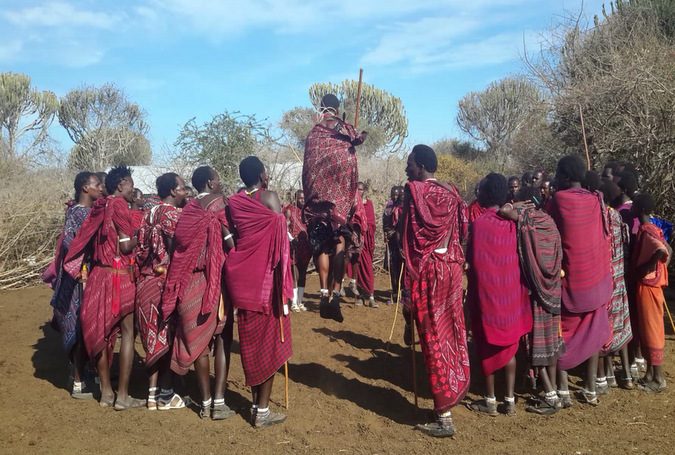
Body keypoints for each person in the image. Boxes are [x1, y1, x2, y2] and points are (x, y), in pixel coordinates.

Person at [401, 144, 471, 438]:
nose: (407, 169)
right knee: (452, 330)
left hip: (429, 273)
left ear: (420, 165)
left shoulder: (414, 193)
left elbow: (408, 240)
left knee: (432, 337)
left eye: (409, 164)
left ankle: (443, 415)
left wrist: (407, 289)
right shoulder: (452, 193)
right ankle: (455, 387)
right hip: (452, 268)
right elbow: (464, 229)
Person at [63, 165, 144, 410]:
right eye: (130, 184)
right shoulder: (119, 206)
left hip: (98, 276)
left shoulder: (98, 207)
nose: (132, 189)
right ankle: (123, 396)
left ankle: (106, 392)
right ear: (121, 184)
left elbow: (83, 240)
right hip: (119, 276)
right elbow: (127, 246)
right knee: (127, 333)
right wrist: (141, 234)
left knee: (100, 332)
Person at [161, 166, 236, 420]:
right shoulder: (219, 205)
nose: (220, 182)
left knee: (198, 344)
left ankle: (204, 403)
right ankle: (219, 401)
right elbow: (231, 242)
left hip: (187, 282)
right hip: (214, 282)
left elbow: (178, 245)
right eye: (217, 178)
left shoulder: (189, 210)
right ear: (210, 183)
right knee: (223, 338)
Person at [224, 156, 293, 428]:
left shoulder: (235, 202)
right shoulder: (269, 198)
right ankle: (262, 411)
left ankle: (256, 404)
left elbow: (234, 234)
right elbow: (281, 244)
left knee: (251, 343)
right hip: (267, 282)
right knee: (271, 344)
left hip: (242, 279)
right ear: (263, 175)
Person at [548, 155, 612, 406]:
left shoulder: (558, 200)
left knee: (564, 331)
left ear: (564, 176)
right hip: (596, 278)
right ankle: (590, 386)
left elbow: (550, 230)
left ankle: (563, 389)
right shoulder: (596, 199)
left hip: (571, 280)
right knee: (594, 332)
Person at [467, 173, 532, 417]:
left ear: (485, 194)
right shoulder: (514, 222)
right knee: (510, 348)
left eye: (481, 190)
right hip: (511, 294)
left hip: (487, 294)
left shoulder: (480, 224)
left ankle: (490, 400)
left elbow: (473, 262)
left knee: (487, 348)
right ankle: (510, 400)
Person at [302, 93, 367, 322]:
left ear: (322, 108)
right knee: (340, 243)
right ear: (337, 109)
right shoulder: (345, 128)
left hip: (319, 197)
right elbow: (357, 140)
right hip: (340, 197)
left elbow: (307, 168)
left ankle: (322, 292)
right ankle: (336, 295)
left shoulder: (314, 133)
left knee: (320, 242)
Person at [500, 186, 565, 415]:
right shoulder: (549, 221)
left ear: (524, 202)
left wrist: (517, 206)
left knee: (534, 345)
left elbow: (504, 210)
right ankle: (557, 390)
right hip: (554, 290)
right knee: (551, 343)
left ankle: (550, 396)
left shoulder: (526, 219)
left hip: (536, 292)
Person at [48, 172, 103, 399]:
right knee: (81, 328)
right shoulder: (80, 214)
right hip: (80, 278)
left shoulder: (82, 212)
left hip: (82, 276)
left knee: (84, 327)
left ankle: (82, 374)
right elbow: (74, 246)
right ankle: (79, 381)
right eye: (96, 184)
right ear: (84, 188)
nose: (101, 187)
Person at [135, 173, 187, 410]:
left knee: (153, 339)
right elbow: (184, 247)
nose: (185, 192)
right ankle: (166, 395)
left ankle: (152, 395)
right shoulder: (174, 216)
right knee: (167, 338)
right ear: (174, 191)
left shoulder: (148, 213)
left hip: (144, 283)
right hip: (164, 283)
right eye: (183, 188)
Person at [631, 194, 671, 393]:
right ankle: (649, 373)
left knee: (652, 330)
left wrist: (646, 268)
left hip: (648, 287)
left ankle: (659, 378)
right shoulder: (653, 229)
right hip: (650, 285)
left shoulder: (647, 231)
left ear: (640, 210)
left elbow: (662, 250)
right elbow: (669, 251)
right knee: (647, 331)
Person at [598, 181, 634, 391]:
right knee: (622, 326)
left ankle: (609, 374)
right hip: (620, 278)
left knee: (607, 327)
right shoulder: (618, 217)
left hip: (608, 279)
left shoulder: (602, 217)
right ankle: (627, 375)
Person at [351, 181, 377, 307]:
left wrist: (364, 227)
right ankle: (359, 297)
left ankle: (371, 297)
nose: (359, 192)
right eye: (357, 189)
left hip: (365, 242)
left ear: (364, 191)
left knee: (367, 268)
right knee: (356, 268)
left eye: (361, 190)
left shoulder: (368, 204)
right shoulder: (352, 204)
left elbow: (372, 223)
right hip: (354, 242)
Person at [283, 190, 310, 312]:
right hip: (293, 247)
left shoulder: (307, 212)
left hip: (305, 247)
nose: (302, 200)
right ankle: (293, 302)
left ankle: (300, 301)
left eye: (304, 198)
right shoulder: (289, 210)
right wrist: (291, 239)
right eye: (300, 198)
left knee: (303, 274)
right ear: (295, 198)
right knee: (295, 273)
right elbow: (284, 227)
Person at [383, 185, 404, 305]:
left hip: (402, 243)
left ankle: (403, 293)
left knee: (403, 268)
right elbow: (386, 222)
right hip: (392, 243)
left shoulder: (405, 208)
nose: (396, 197)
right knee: (393, 267)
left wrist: (396, 232)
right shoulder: (389, 207)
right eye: (394, 194)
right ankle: (394, 293)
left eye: (399, 195)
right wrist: (386, 232)